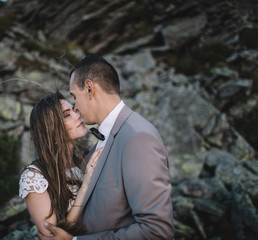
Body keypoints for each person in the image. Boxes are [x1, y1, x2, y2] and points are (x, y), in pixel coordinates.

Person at [39, 55, 175, 239]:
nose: (75, 108)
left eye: (74, 96)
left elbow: (157, 232)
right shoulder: (104, 140)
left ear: (89, 88)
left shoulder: (138, 138)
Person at [19, 91, 103, 237]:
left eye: (74, 110)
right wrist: (86, 185)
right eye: (67, 115)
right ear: (51, 130)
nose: (78, 115)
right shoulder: (33, 178)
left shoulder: (86, 160)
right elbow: (54, 235)